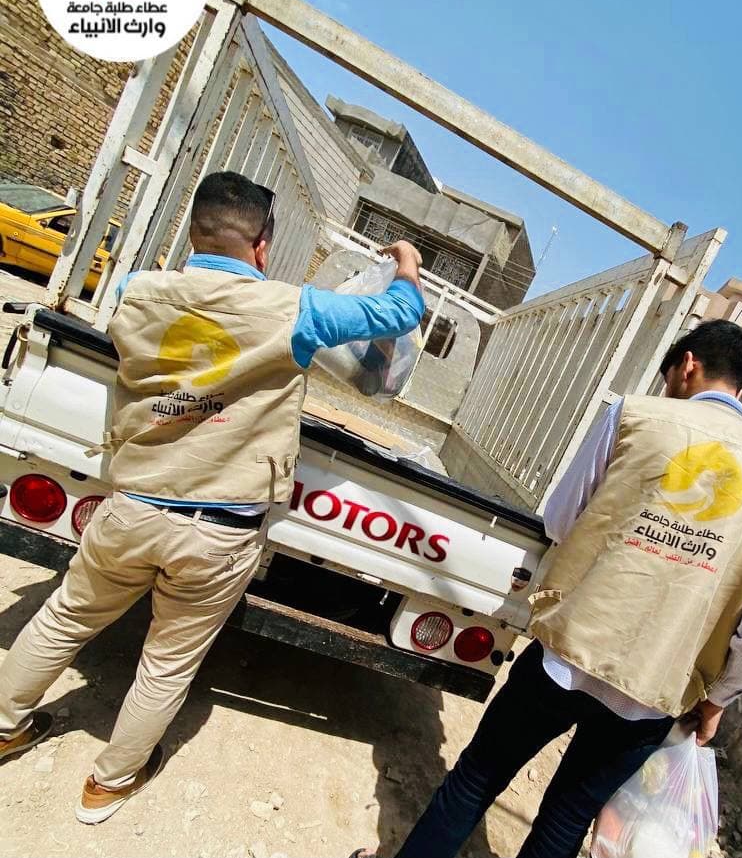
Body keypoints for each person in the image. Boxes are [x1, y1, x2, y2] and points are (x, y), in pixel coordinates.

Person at [0, 171, 425, 824]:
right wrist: (408, 264)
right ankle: (109, 782)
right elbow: (399, 314)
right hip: (218, 531)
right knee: (167, 662)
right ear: (262, 245)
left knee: (65, 617)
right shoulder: (295, 310)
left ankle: (4, 726)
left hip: (132, 506)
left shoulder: (135, 291)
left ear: (193, 233)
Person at [353, 319, 742, 858]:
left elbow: (560, 519)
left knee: (477, 778)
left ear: (688, 365)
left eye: (669, 378)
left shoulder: (634, 415)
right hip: (655, 688)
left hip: (567, 654)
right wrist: (719, 697)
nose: (667, 389)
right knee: (566, 819)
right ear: (740, 383)